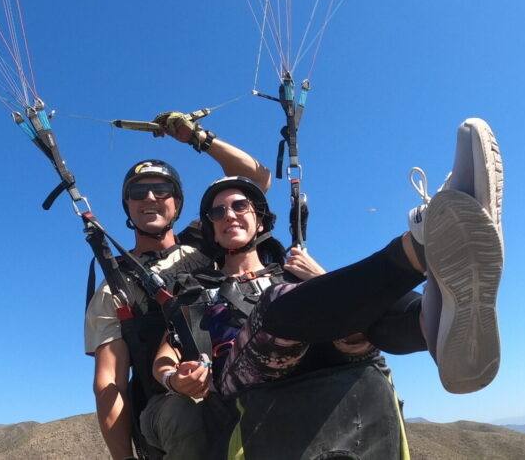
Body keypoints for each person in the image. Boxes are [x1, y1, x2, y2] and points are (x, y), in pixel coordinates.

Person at [153, 118, 504, 459]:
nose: (229, 215)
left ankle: (431, 325)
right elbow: (164, 358)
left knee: (359, 318)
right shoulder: (199, 293)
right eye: (218, 213)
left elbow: (256, 174)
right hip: (241, 382)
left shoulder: (293, 270)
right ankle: (423, 246)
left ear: (259, 218)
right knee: (277, 303)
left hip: (324, 358)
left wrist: (318, 278)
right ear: (211, 230)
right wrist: (174, 380)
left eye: (240, 205)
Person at [84, 113, 272, 460]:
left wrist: (197, 137)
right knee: (183, 414)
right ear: (127, 205)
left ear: (178, 202)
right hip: (166, 407)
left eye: (163, 189)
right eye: (138, 192)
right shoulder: (114, 287)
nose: (150, 197)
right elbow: (109, 383)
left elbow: (256, 181)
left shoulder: (208, 240)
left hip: (239, 385)